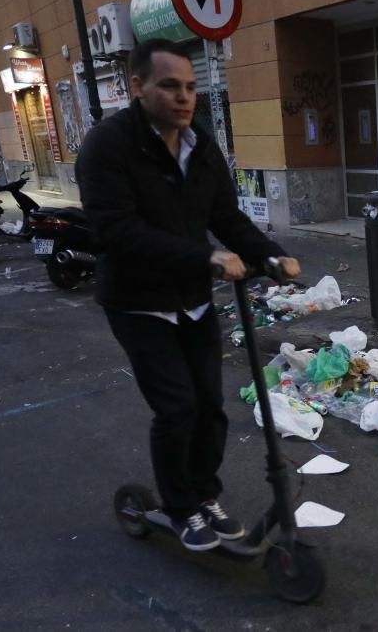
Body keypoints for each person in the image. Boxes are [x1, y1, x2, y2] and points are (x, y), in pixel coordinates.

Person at [76, 39, 302, 551]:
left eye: (191, 87)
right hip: (138, 302)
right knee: (177, 407)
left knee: (210, 405)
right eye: (170, 86)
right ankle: (179, 508)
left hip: (194, 300)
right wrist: (204, 257)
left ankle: (203, 495)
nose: (184, 98)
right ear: (138, 87)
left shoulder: (200, 144)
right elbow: (116, 231)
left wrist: (270, 255)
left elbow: (226, 216)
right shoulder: (108, 146)